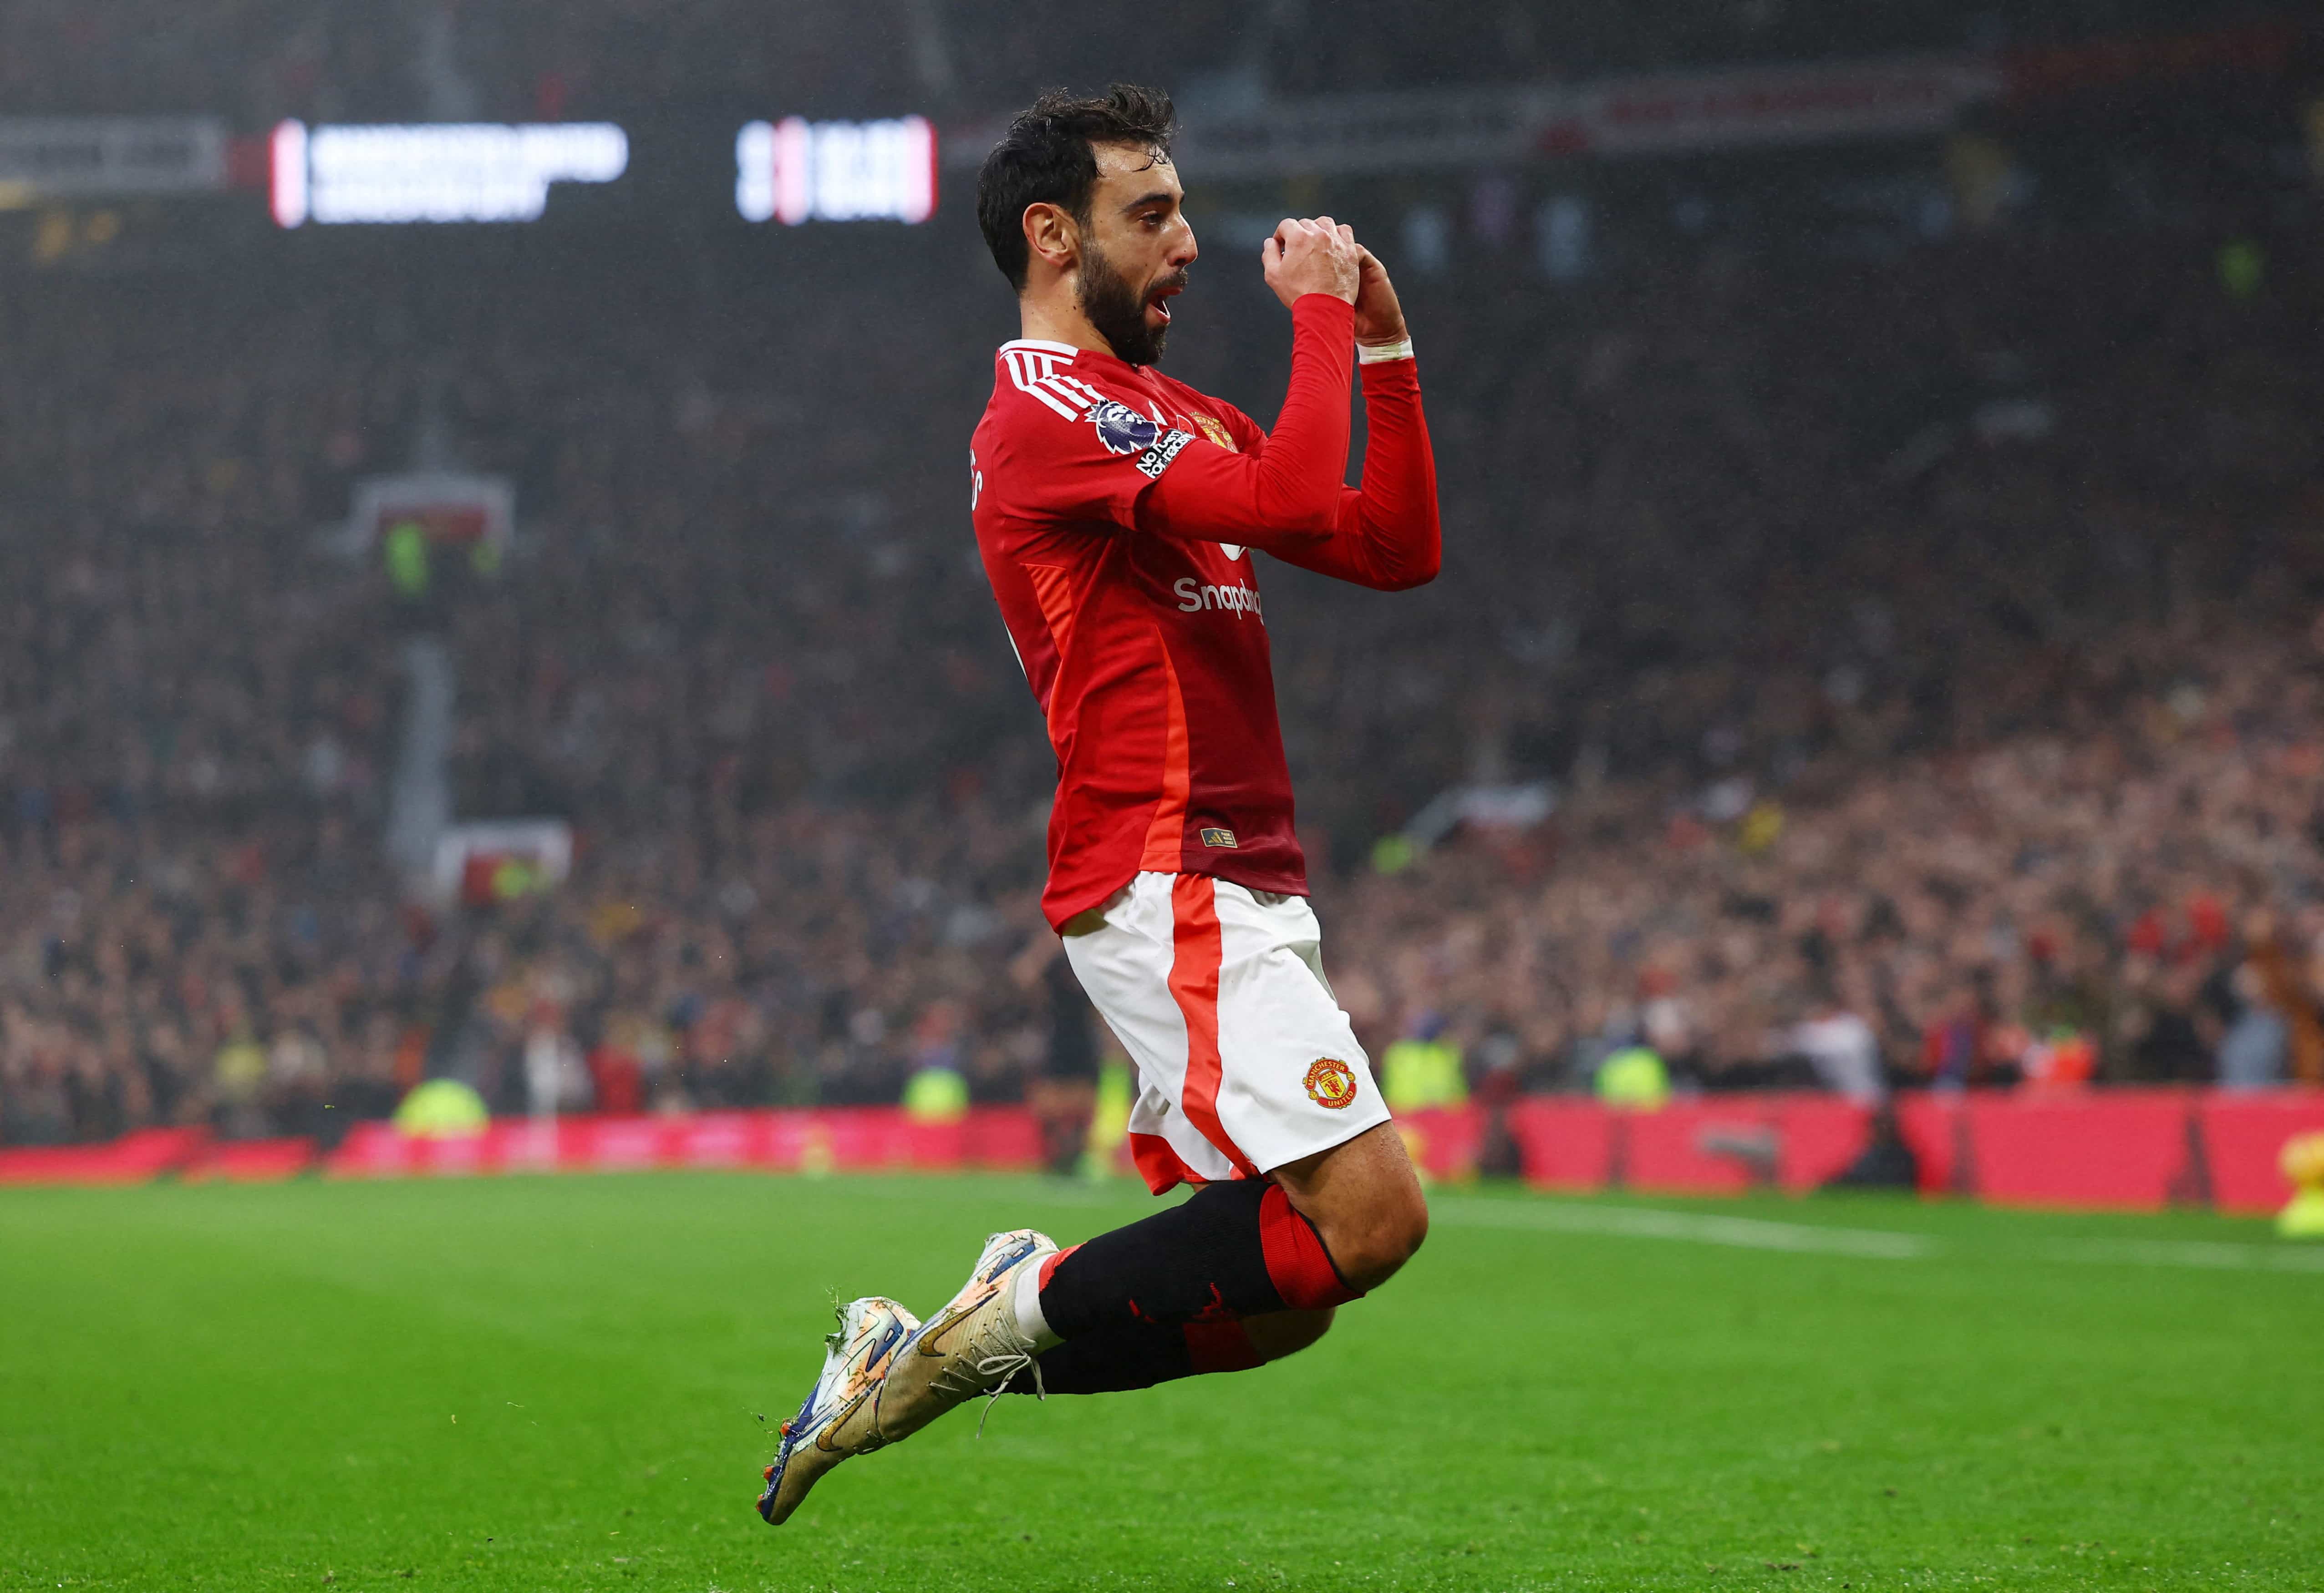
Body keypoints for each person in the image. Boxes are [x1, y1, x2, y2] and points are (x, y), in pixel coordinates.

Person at [759, 83, 1441, 1525]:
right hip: (1159, 861)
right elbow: (1291, 488)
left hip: (1245, 873)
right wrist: (1317, 312)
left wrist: (1380, 340)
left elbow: (1390, 545)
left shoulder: (1166, 406)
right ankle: (1008, 1305)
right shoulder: (1044, 408)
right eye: (1156, 213)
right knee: (1373, 1215)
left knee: (1285, 1296)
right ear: (1054, 236)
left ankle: (943, 1353)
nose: (1190, 241)